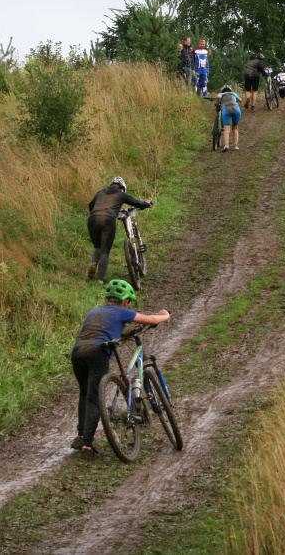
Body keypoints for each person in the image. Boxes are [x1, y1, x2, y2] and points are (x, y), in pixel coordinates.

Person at [71, 279, 171, 459]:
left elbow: (103, 329)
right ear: (126, 302)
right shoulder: (122, 311)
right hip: (98, 351)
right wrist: (165, 314)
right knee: (95, 397)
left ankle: (80, 435)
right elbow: (150, 319)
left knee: (85, 393)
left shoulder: (94, 311)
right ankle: (87, 445)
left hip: (78, 351)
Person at [87, 177, 152, 283]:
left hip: (93, 219)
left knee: (97, 246)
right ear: (122, 188)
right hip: (108, 220)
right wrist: (146, 203)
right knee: (105, 251)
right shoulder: (121, 194)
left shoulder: (100, 192)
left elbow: (90, 206)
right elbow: (136, 203)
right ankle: (100, 280)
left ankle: (94, 263)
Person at [215, 84, 242, 151]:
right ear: (230, 90)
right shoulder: (233, 93)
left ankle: (226, 145)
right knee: (235, 128)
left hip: (226, 109)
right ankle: (235, 146)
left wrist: (218, 104)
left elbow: (218, 97)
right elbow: (240, 100)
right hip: (236, 109)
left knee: (226, 129)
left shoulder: (222, 93)